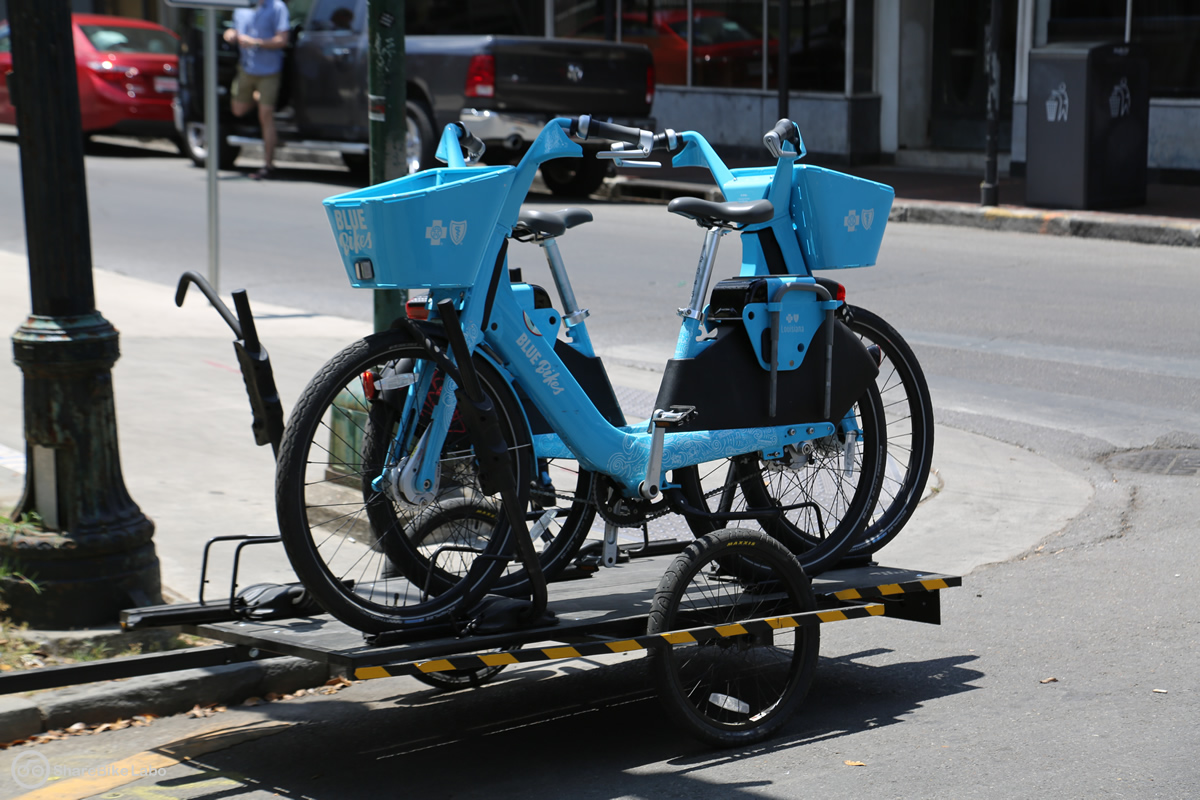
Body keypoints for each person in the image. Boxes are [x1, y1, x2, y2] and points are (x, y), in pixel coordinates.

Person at [223, 0, 291, 180]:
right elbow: (235, 30)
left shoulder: (277, 7)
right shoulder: (242, 6)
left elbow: (282, 39)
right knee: (238, 109)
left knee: (265, 115)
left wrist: (256, 43)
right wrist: (230, 34)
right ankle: (257, 97)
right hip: (246, 68)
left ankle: (268, 165)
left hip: (270, 70)